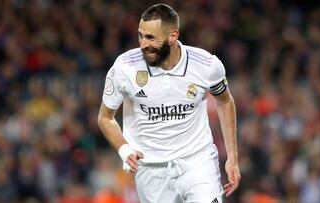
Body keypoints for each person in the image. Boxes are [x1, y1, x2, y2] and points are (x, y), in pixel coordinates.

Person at [98, 3, 240, 203]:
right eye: (140, 35)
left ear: (173, 36)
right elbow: (105, 118)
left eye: (151, 38)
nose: (143, 44)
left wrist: (232, 156)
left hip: (197, 161)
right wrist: (124, 149)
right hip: (151, 171)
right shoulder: (125, 67)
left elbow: (225, 101)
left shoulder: (206, 65)